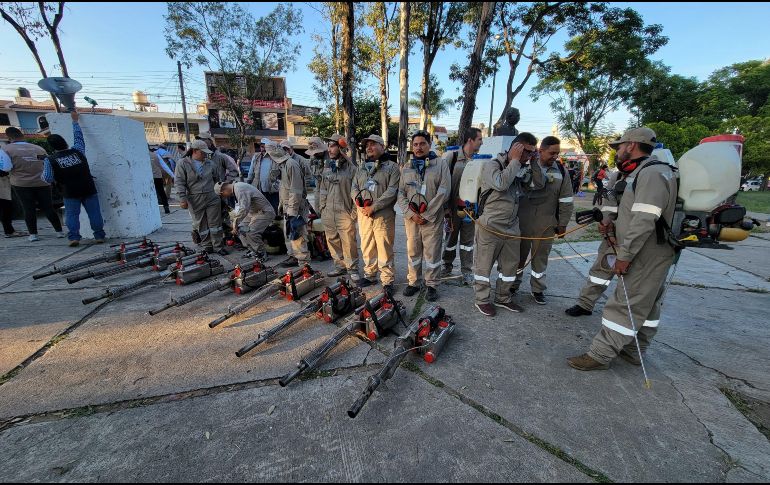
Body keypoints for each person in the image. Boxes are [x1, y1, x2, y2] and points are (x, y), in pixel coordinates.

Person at [568, 127, 678, 371]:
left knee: (625, 302)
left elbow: (644, 220)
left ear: (631, 145)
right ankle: (632, 350)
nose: (617, 150)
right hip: (637, 246)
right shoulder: (632, 173)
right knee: (647, 304)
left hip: (646, 251)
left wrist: (625, 255)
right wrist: (607, 222)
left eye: (619, 145)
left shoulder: (652, 174)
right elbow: (615, 203)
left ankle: (600, 354)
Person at [472, 133, 538, 317]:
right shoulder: (492, 165)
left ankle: (503, 297)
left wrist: (534, 163)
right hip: (490, 224)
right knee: (483, 266)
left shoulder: (523, 166)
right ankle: (482, 299)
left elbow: (534, 184)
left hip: (512, 226)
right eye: (525, 151)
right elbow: (501, 183)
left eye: (531, 152)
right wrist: (515, 161)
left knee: (510, 267)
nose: (527, 156)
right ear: (515, 147)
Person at [512, 136, 574, 305]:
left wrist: (563, 223)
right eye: (551, 153)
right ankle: (512, 285)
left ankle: (538, 289)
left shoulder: (561, 171)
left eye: (557, 153)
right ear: (540, 151)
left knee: (540, 259)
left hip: (546, 223)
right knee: (519, 257)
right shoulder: (525, 166)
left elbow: (566, 199)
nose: (555, 156)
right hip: (523, 221)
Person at [565, 167, 626, 317]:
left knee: (630, 277)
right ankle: (585, 304)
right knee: (600, 270)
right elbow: (609, 202)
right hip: (612, 233)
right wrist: (605, 222)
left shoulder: (650, 177)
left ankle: (626, 313)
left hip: (635, 237)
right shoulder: (619, 176)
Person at [399, 131, 451, 302]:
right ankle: (414, 282)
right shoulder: (407, 167)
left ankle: (432, 285)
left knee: (432, 253)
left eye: (422, 144)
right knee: (413, 251)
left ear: (429, 145)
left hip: (432, 219)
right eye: (415, 144)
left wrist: (427, 214)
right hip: (412, 220)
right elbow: (401, 193)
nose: (418, 147)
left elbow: (444, 190)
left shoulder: (440, 164)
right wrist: (410, 214)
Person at [41, 111, 106, 246]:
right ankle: (99, 235)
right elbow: (78, 137)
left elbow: (47, 178)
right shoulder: (78, 151)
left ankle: (74, 237)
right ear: (64, 142)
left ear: (52, 147)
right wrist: (75, 121)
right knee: (94, 213)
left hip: (69, 191)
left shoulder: (50, 160)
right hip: (88, 187)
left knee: (72, 215)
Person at [351, 134, 400, 293]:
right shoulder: (361, 167)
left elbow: (392, 191)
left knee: (384, 247)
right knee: (367, 245)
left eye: (373, 144)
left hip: (382, 215)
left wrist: (374, 207)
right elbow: (354, 188)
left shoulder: (392, 167)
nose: (369, 148)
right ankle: (370, 275)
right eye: (367, 146)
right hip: (363, 213)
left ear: (382, 146)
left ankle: (387, 280)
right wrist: (359, 202)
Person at [2, 127, 64, 241]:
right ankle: (59, 232)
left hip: (21, 184)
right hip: (42, 182)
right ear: (22, 135)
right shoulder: (38, 148)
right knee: (49, 208)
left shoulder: (6, 150)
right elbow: (47, 163)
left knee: (28, 208)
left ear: (9, 137)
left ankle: (33, 235)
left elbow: (6, 167)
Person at [441, 127, 483, 286]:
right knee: (449, 239)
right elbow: (443, 184)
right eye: (479, 139)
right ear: (470, 140)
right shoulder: (451, 157)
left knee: (467, 242)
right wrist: (445, 208)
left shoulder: (479, 161)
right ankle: (447, 266)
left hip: (470, 211)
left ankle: (467, 271)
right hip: (451, 210)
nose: (482, 142)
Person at [174, 140, 228, 255]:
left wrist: (221, 194)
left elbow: (217, 180)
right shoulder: (183, 163)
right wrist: (182, 199)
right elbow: (179, 182)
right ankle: (207, 245)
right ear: (194, 151)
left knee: (215, 223)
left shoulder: (210, 164)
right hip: (195, 198)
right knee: (201, 224)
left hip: (212, 197)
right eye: (202, 152)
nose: (205, 154)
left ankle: (218, 246)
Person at [317, 134, 359, 281]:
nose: (329, 149)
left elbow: (357, 193)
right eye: (328, 146)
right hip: (329, 212)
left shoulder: (352, 169)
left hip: (345, 212)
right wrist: (322, 208)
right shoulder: (327, 168)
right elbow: (322, 189)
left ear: (341, 147)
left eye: (332, 146)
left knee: (349, 242)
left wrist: (354, 213)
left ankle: (352, 268)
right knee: (332, 241)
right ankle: (339, 266)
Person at [215, 181, 275, 260]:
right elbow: (240, 208)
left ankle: (261, 253)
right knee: (241, 229)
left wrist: (235, 223)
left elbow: (244, 209)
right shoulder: (236, 189)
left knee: (251, 232)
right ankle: (253, 250)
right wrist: (235, 223)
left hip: (264, 212)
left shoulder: (239, 189)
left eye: (222, 195)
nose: (225, 197)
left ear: (223, 191)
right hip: (253, 212)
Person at [273, 144, 311, 267]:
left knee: (298, 235)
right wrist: (282, 205)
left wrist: (293, 211)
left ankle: (304, 264)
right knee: (289, 235)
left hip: (296, 207)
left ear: (291, 149)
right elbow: (284, 187)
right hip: (287, 206)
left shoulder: (295, 163)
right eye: (282, 149)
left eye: (286, 149)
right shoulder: (284, 164)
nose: (285, 151)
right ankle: (293, 257)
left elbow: (297, 190)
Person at [246, 141, 280, 213]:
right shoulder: (256, 157)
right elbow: (251, 171)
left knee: (274, 208)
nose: (263, 148)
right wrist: (248, 182)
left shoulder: (275, 157)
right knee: (262, 209)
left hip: (273, 189)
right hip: (259, 188)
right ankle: (265, 222)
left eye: (264, 146)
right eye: (261, 146)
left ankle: (274, 221)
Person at [0, 148, 26, 238]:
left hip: (4, 183)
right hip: (2, 185)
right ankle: (9, 231)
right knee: (5, 208)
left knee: (5, 208)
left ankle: (9, 230)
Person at [149, 146, 174, 214]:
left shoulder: (141, 156)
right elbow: (164, 166)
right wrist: (173, 175)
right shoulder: (156, 155)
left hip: (148, 178)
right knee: (161, 192)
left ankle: (152, 209)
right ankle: (166, 207)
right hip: (157, 176)